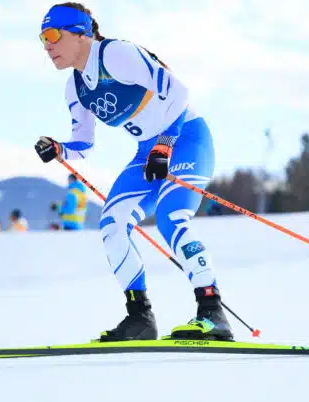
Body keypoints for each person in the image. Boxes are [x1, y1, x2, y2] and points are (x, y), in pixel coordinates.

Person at [33, 2, 233, 342]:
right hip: (148, 152)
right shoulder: (75, 87)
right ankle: (140, 318)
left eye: (53, 35)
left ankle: (212, 312)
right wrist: (60, 149)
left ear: (81, 34)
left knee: (172, 219)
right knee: (112, 223)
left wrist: (166, 144)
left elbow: (179, 92)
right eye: (42, 38)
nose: (47, 45)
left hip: (185, 138)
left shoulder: (116, 55)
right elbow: (84, 143)